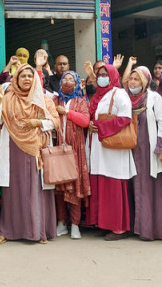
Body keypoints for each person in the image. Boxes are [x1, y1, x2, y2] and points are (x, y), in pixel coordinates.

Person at [0, 64, 59, 244]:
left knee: (34, 189)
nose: (27, 79)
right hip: (12, 148)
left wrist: (38, 122)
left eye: (30, 76)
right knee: (12, 190)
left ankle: (38, 231)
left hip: (34, 149)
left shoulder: (43, 99)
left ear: (35, 78)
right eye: (23, 76)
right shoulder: (8, 97)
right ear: (16, 79)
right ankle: (8, 231)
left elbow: (55, 122)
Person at [87, 64, 135, 241]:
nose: (101, 77)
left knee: (113, 186)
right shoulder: (99, 96)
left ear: (113, 76)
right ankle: (104, 223)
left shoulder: (119, 93)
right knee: (101, 184)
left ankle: (119, 228)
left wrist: (99, 126)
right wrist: (91, 124)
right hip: (100, 147)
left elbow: (125, 117)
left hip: (113, 148)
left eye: (105, 74)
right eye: (99, 74)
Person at [125, 66, 162, 241]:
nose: (133, 82)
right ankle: (133, 227)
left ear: (145, 82)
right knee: (132, 185)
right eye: (131, 79)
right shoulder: (125, 98)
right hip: (129, 148)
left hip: (148, 150)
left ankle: (149, 229)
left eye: (137, 79)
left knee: (148, 187)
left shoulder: (153, 97)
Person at [53, 71, 91, 240]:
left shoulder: (81, 101)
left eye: (71, 79)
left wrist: (66, 113)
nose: (67, 82)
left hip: (76, 150)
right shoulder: (55, 100)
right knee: (59, 188)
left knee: (75, 188)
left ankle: (75, 224)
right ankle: (62, 223)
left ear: (77, 84)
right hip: (57, 149)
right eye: (65, 79)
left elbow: (85, 121)